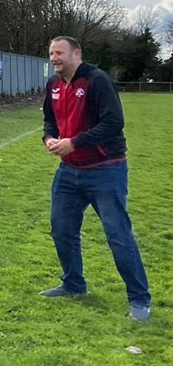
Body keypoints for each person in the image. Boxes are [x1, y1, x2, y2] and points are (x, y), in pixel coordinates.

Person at [40, 35, 151, 321]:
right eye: (51, 53)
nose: (54, 58)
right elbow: (49, 121)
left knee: (118, 235)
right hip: (69, 171)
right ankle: (73, 284)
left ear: (76, 54)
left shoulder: (97, 80)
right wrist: (50, 138)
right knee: (61, 229)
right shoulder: (53, 85)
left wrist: (74, 142)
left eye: (60, 53)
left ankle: (140, 300)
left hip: (106, 170)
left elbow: (114, 123)